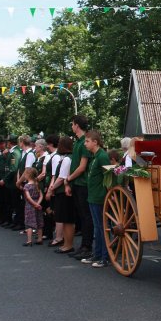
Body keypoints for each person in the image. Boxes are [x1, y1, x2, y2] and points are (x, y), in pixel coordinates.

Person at [66, 115, 94, 260]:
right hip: (76, 184)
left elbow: (82, 167)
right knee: (81, 217)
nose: (72, 126)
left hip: (83, 184)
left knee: (86, 216)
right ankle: (83, 246)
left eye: (72, 124)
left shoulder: (84, 142)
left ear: (77, 125)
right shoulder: (78, 142)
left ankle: (87, 247)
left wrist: (68, 179)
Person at [81, 130, 111, 268]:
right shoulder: (95, 156)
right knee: (97, 228)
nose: (85, 143)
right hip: (92, 195)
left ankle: (104, 257)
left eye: (87, 141)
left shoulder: (102, 156)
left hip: (99, 196)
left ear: (95, 142)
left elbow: (108, 177)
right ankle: (97, 254)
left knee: (101, 228)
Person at [46, 136, 75, 254]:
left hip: (63, 192)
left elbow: (61, 177)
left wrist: (51, 188)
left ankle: (68, 245)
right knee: (64, 219)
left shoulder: (67, 159)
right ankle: (66, 243)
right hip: (62, 192)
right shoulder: (67, 158)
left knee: (66, 219)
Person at [21, 167, 44, 246]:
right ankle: (40, 239)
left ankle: (29, 240)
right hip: (38, 205)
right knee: (39, 221)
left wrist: (34, 204)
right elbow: (41, 195)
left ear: (27, 175)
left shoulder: (26, 186)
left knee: (29, 223)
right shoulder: (37, 184)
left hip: (30, 206)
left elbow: (28, 197)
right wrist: (38, 204)